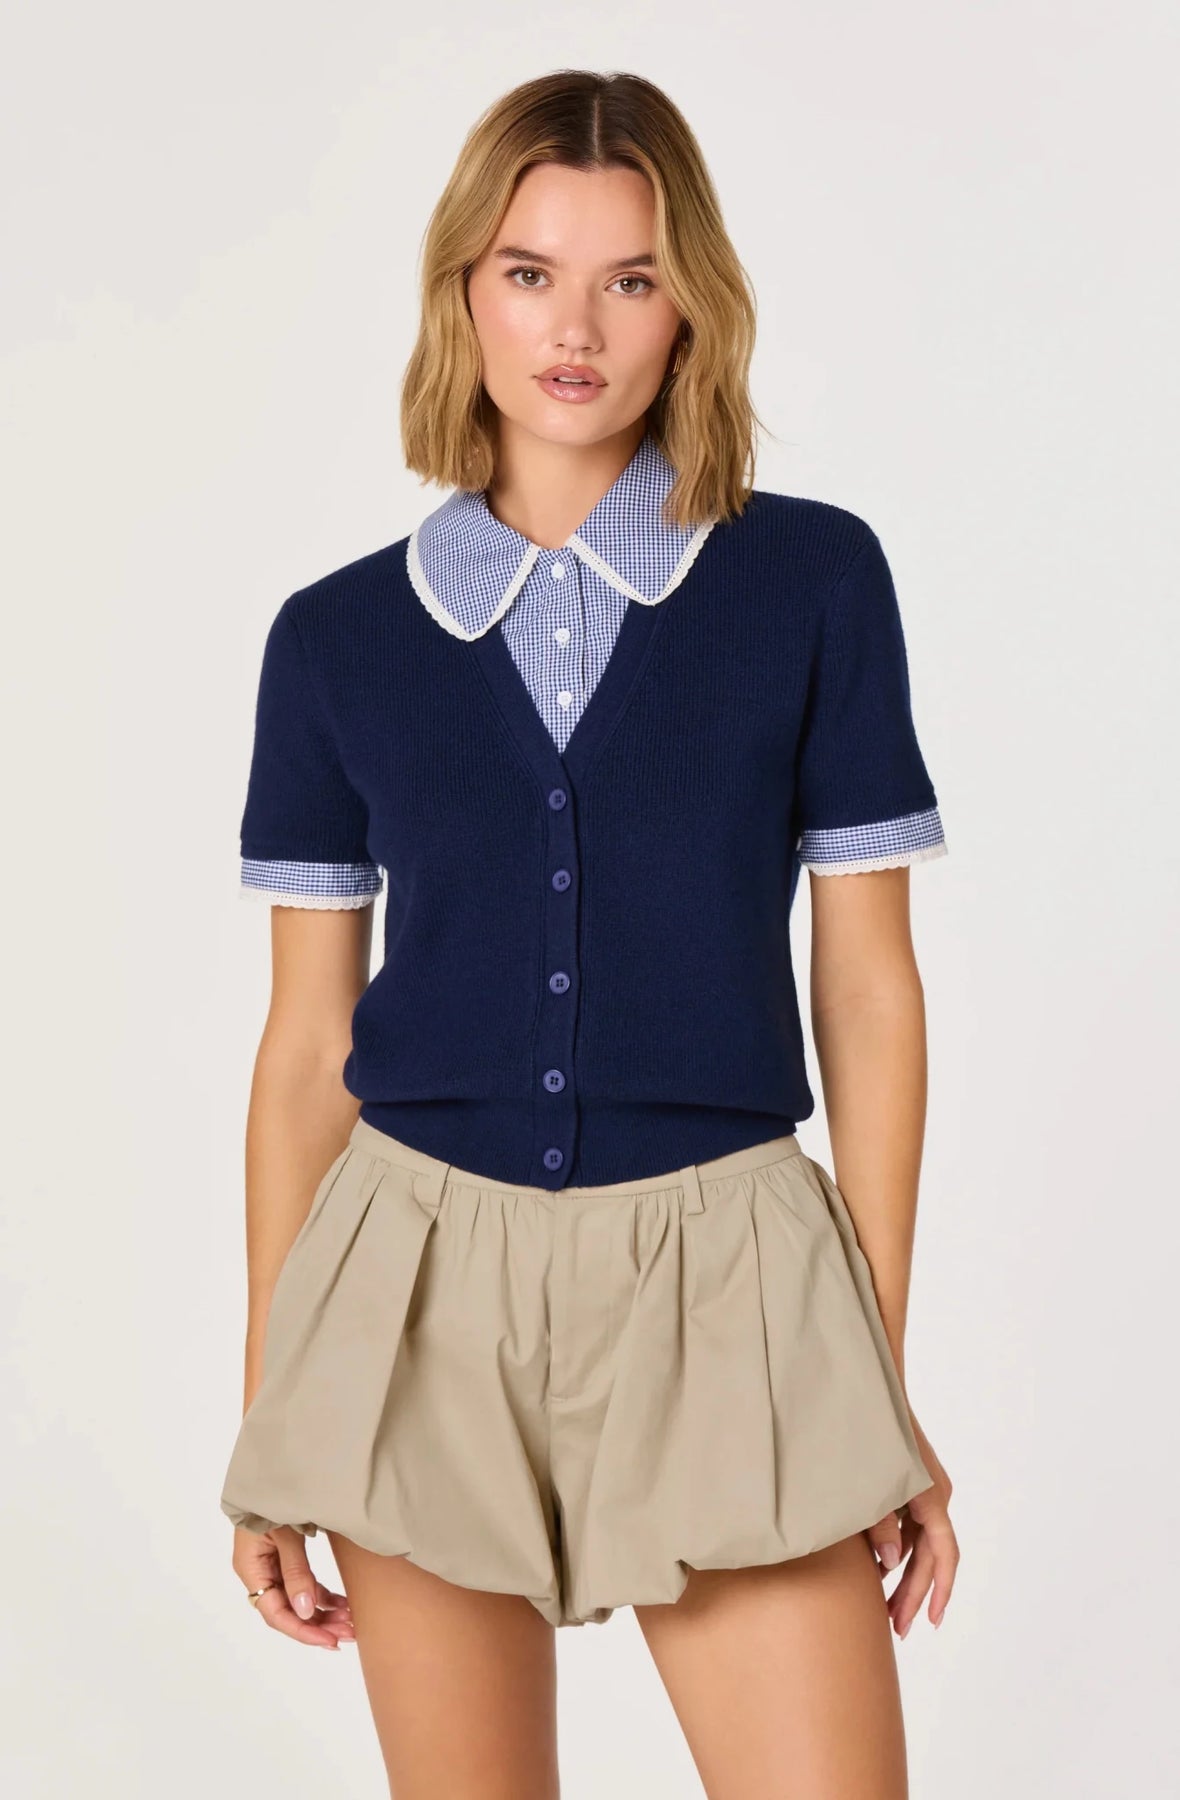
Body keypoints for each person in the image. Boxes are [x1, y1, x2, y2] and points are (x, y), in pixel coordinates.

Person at [220, 66, 960, 1800]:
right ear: (462, 295)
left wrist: (872, 1376)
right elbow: (307, 1049)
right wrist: (275, 1413)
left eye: (631, 277)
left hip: (732, 1274)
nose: (577, 327)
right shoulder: (335, 641)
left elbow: (868, 987)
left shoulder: (810, 585)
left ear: (690, 303)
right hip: (413, 1288)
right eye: (530, 272)